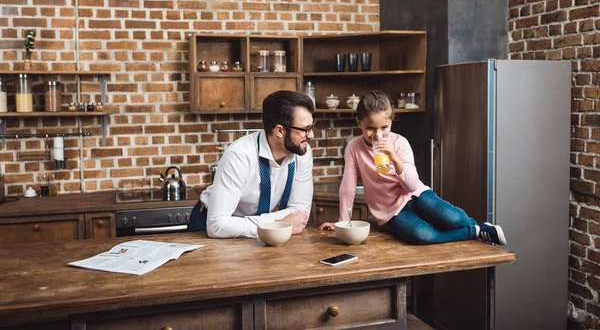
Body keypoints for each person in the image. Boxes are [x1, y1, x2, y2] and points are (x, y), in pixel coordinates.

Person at [319, 90, 507, 246]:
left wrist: (393, 156)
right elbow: (348, 187)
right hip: (391, 211)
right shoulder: (354, 147)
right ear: (359, 122)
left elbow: (411, 184)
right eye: (370, 128)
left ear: (391, 121)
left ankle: (475, 227)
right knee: (423, 236)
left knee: (454, 219)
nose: (378, 135)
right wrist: (343, 222)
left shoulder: (400, 143)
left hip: (415, 195)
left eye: (384, 127)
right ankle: (474, 231)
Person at [189, 90, 315, 238]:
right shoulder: (239, 155)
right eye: (306, 130)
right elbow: (217, 225)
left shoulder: (302, 152)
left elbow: (300, 214)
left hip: (249, 230)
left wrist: (272, 225)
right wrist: (276, 224)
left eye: (312, 127)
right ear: (280, 130)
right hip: (206, 226)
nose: (311, 135)